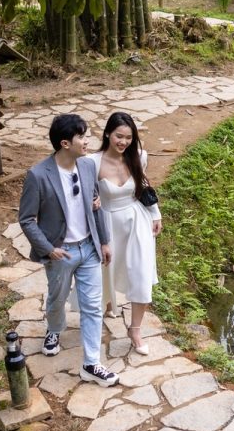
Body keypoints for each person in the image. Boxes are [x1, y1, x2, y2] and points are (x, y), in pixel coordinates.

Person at [18, 113, 117, 386]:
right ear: (65, 143)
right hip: (61, 253)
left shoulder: (86, 167)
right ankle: (54, 329)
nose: (87, 141)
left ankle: (92, 364)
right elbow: (26, 219)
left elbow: (96, 204)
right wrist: (49, 249)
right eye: (82, 137)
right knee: (57, 300)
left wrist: (104, 241)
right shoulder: (38, 175)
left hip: (89, 248)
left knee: (92, 307)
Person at [89, 111, 162, 356]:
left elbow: (143, 186)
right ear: (108, 133)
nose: (123, 142)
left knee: (140, 273)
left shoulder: (138, 157)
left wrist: (155, 213)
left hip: (136, 219)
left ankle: (135, 329)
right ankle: (108, 305)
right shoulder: (93, 162)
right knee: (107, 272)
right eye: (119, 136)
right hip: (108, 222)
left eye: (129, 138)